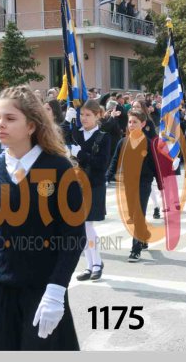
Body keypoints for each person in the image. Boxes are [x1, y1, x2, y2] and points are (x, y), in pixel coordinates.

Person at [0, 86, 86, 350]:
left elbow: (73, 236)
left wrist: (56, 291)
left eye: (10, 118)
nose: (0, 124)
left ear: (31, 126)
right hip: (0, 292)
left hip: (43, 293)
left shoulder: (58, 168)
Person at [106, 110, 160, 262]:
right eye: (129, 122)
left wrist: (161, 183)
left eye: (135, 122)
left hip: (144, 182)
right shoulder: (122, 142)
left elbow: (155, 165)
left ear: (143, 124)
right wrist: (107, 177)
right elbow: (115, 161)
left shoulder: (149, 143)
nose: (131, 125)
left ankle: (135, 249)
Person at [70, 100, 111, 281]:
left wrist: (80, 154)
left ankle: (96, 263)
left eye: (88, 115)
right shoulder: (76, 134)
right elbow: (59, 136)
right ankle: (90, 265)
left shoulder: (103, 137)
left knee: (86, 225)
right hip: (76, 184)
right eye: (81, 115)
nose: (83, 118)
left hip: (94, 185)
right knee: (82, 226)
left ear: (97, 116)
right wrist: (67, 120)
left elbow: (101, 164)